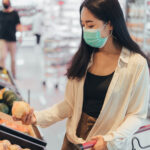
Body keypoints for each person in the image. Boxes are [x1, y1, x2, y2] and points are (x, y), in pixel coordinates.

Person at [13, 0, 150, 150]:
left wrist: (111, 140)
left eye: (91, 25)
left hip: (103, 145)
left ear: (110, 24)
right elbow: (70, 104)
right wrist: (37, 117)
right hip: (74, 140)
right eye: (83, 25)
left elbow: (136, 114)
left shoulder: (136, 64)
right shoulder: (84, 57)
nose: (86, 31)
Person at [0, 0, 29, 79]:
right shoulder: (1, 13)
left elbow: (18, 25)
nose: (4, 3)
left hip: (12, 39)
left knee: (13, 59)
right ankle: (3, 74)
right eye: (3, 2)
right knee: (2, 57)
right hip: (2, 38)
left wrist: (21, 36)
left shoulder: (14, 13)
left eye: (6, 2)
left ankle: (13, 74)